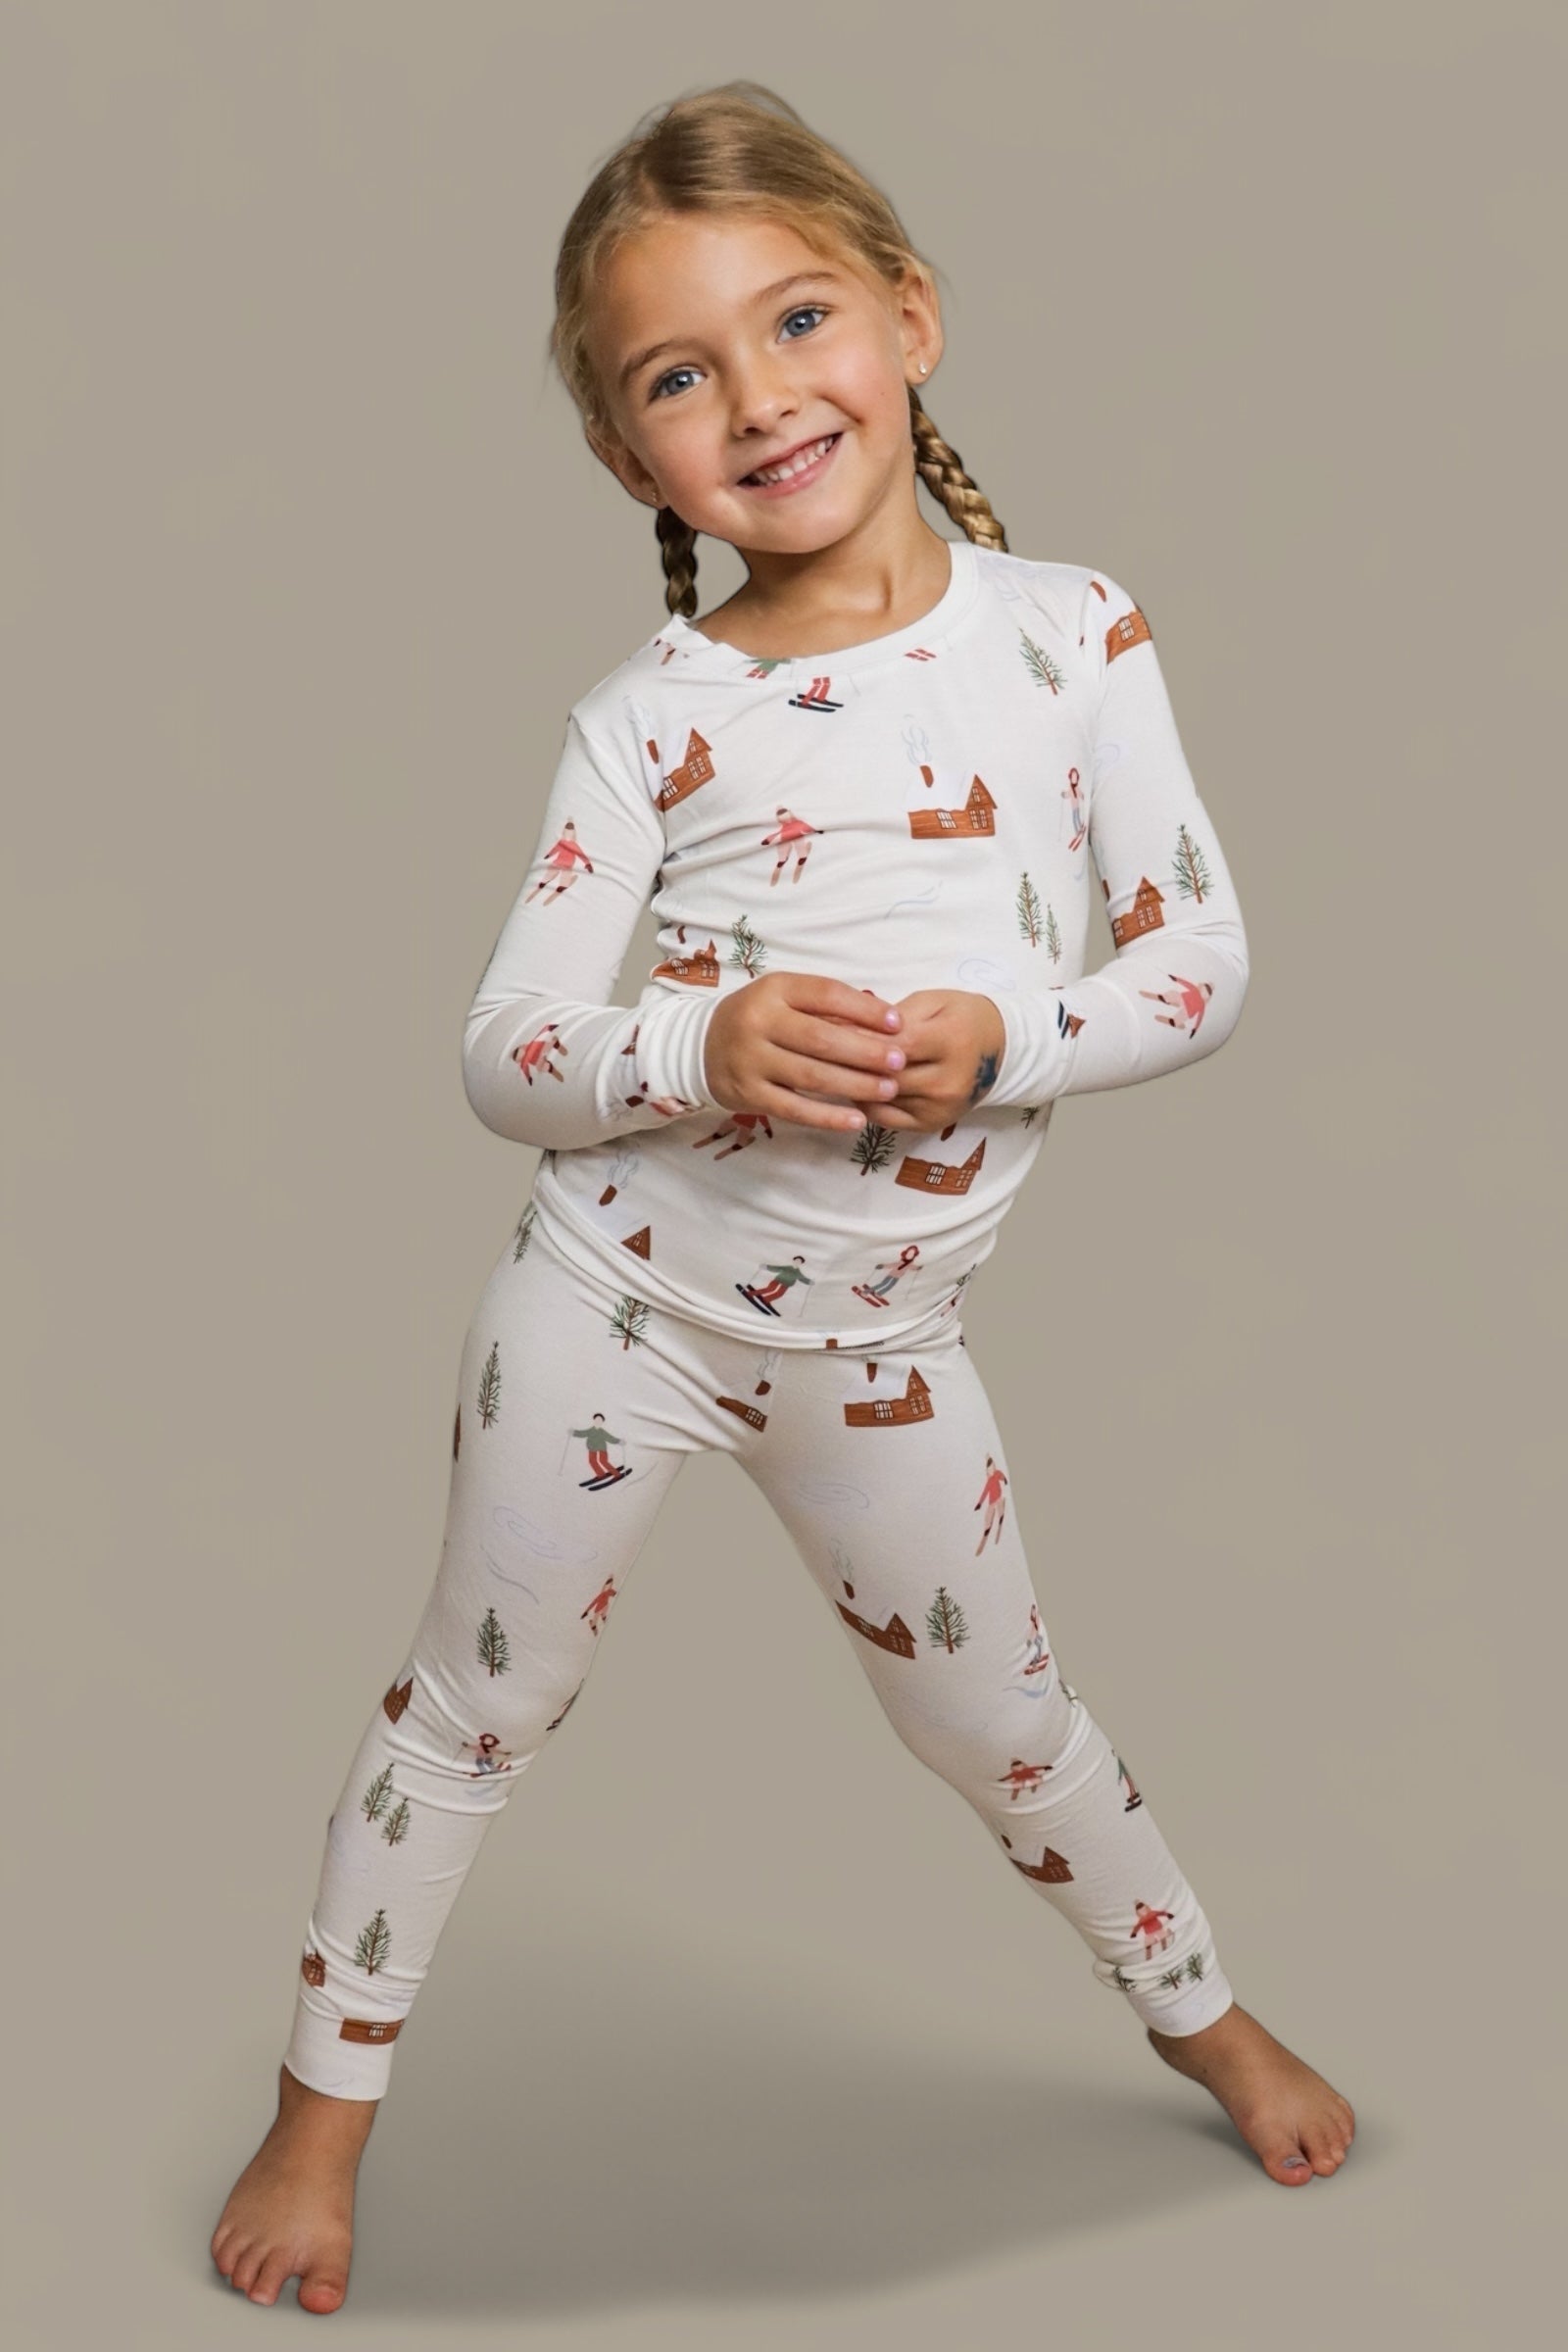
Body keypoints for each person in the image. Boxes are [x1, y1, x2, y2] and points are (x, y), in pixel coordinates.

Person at [212, 79, 1354, 2315]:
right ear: (624, 455)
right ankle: (318, 2114)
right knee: (470, 1706)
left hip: (881, 1354)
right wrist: (695, 1047)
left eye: (799, 318)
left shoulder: (1074, 635)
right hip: (611, 1316)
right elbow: (503, 1051)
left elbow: (1202, 960)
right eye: (677, 375)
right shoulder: (649, 717)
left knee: (1004, 1727)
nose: (755, 398)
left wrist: (1016, 1036)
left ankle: (1201, 2014)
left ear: (910, 319)